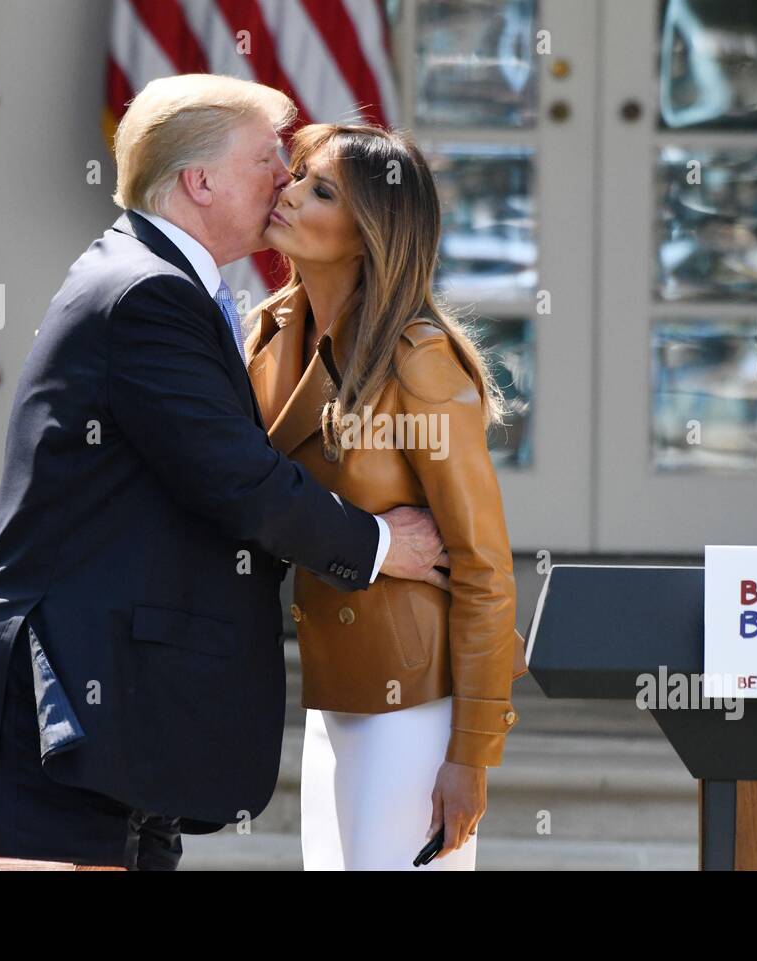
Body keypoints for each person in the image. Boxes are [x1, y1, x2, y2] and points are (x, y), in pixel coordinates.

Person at [0, 75, 449, 870]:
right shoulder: (146, 295)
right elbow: (238, 480)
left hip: (120, 711)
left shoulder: (159, 281)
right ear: (199, 181)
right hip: (63, 703)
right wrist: (379, 544)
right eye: (268, 158)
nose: (286, 174)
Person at [245, 123, 523, 870]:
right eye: (298, 174)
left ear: (370, 232)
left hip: (415, 705)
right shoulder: (269, 336)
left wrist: (472, 752)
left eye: (320, 189)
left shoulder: (420, 360)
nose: (290, 189)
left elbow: (486, 570)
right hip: (330, 692)